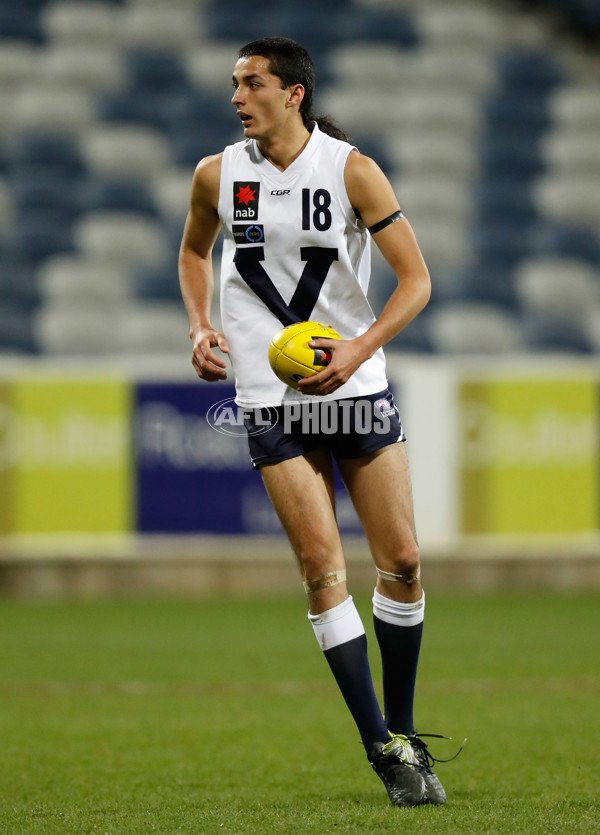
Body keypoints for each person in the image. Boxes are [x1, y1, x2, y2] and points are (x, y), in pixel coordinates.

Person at [179, 36, 452, 808]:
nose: (237, 97)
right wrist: (201, 326)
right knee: (322, 569)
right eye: (234, 83)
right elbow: (194, 253)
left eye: (253, 83)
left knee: (401, 558)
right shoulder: (215, 174)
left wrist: (360, 346)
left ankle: (403, 728)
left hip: (355, 382)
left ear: (293, 93)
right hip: (270, 393)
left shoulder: (350, 169)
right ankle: (381, 747)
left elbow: (417, 279)